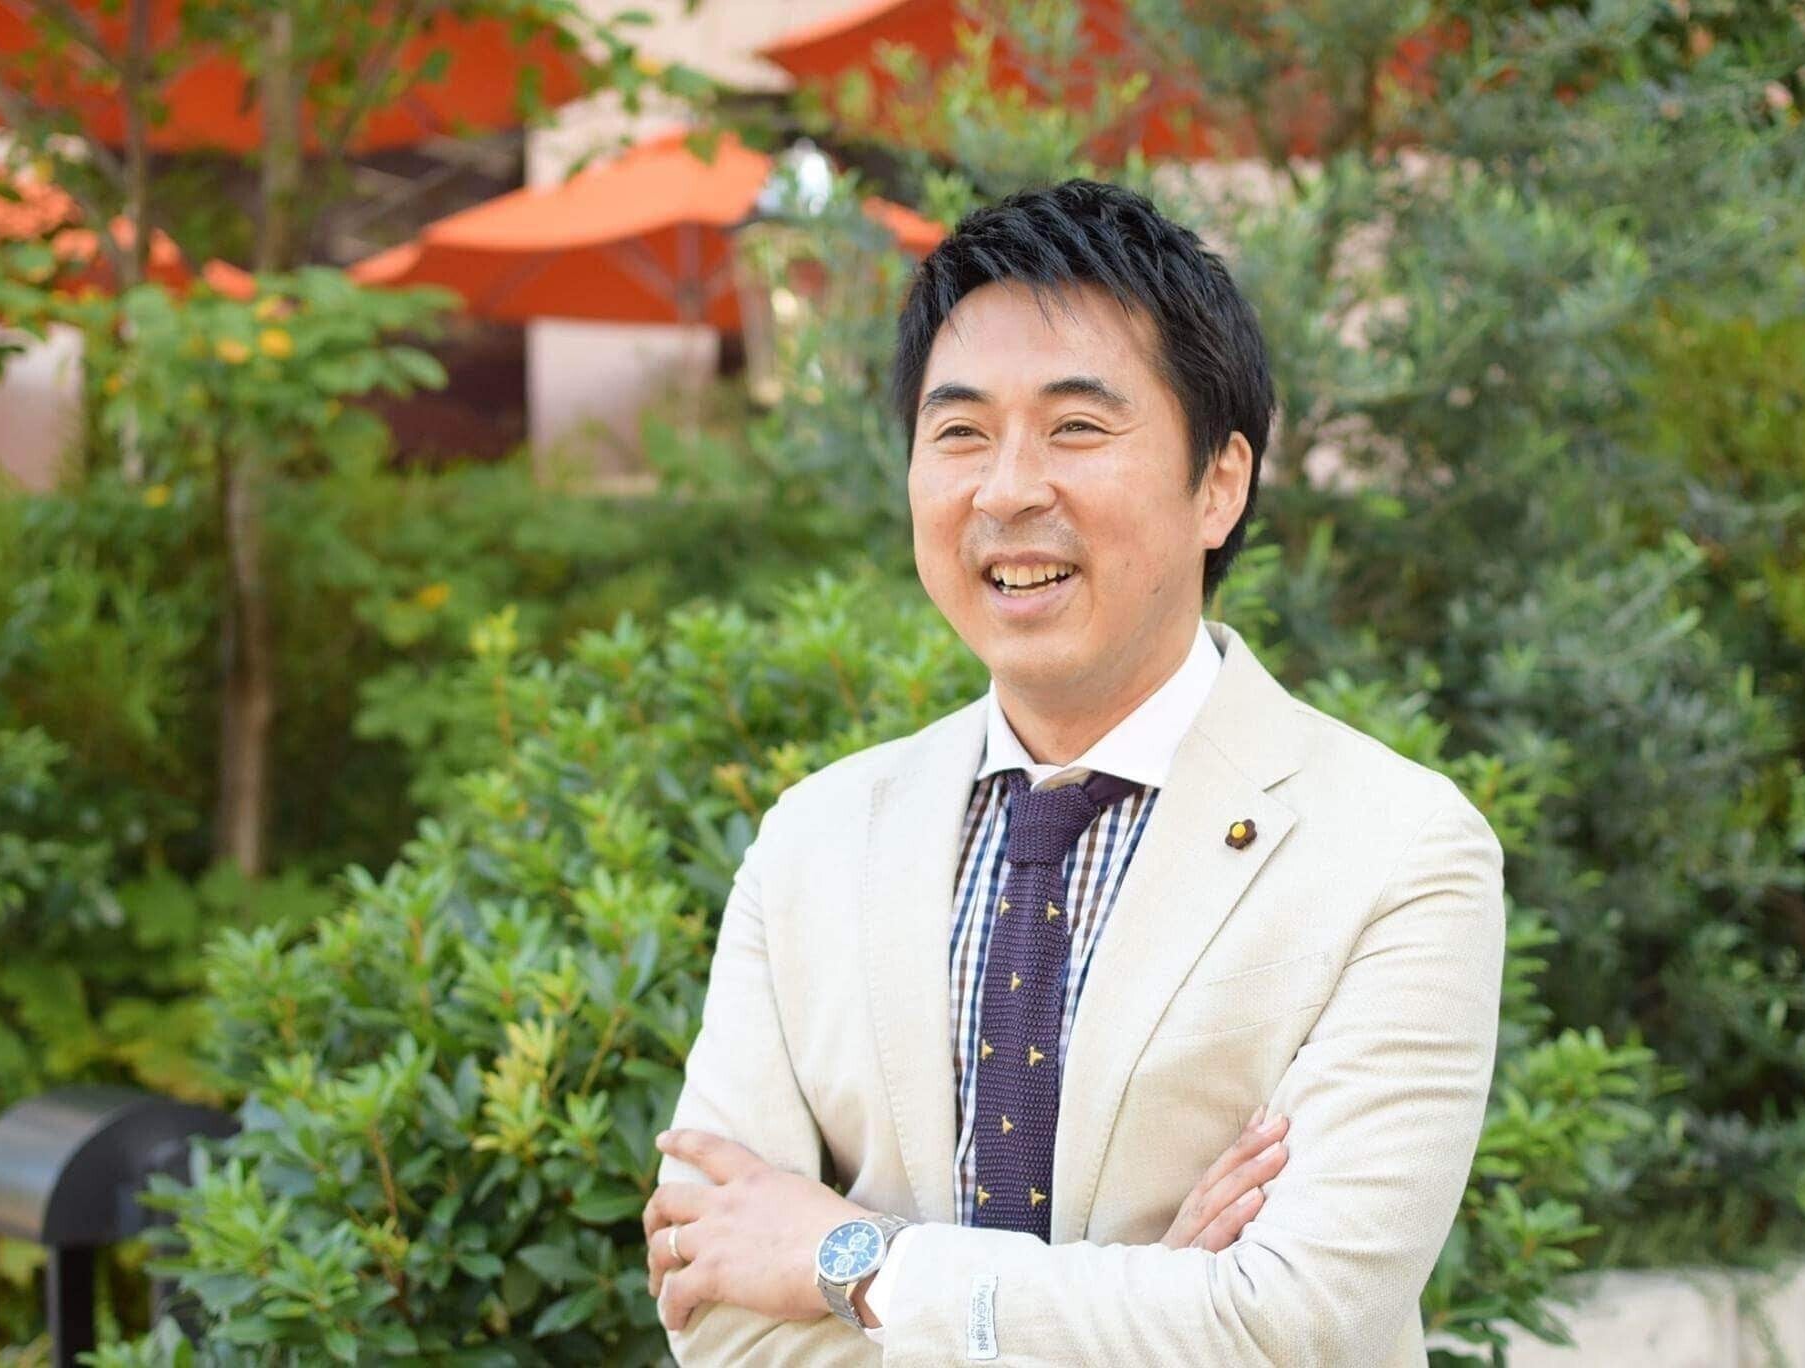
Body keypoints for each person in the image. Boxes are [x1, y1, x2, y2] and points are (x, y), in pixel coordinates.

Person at [641, 179, 1505, 1365]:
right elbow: (717, 1311)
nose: (1005, 489)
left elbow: (1292, 1325)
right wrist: (1157, 1305)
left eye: (1076, 428)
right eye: (958, 433)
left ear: (1219, 483)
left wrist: (854, 1264)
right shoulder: (812, 839)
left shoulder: (1396, 851)